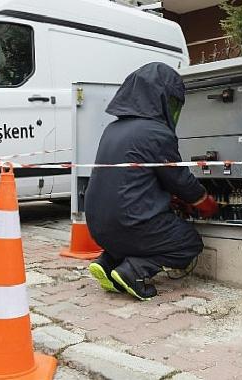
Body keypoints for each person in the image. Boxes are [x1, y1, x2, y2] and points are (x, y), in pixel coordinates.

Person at [84, 62, 219, 301]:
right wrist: (203, 201)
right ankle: (134, 272)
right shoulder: (155, 132)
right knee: (189, 243)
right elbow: (180, 180)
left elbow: (134, 180)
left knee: (131, 236)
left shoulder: (112, 129)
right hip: (131, 224)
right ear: (162, 99)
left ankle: (107, 263)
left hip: (98, 227)